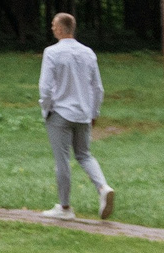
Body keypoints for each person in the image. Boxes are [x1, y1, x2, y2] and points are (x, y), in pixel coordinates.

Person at [35, 12, 114, 221]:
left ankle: (65, 207)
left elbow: (45, 86)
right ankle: (103, 187)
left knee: (62, 160)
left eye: (53, 25)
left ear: (61, 28)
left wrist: (46, 108)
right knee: (84, 154)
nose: (52, 28)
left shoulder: (52, 52)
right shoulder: (88, 52)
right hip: (83, 113)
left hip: (60, 112)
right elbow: (97, 87)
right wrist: (94, 112)